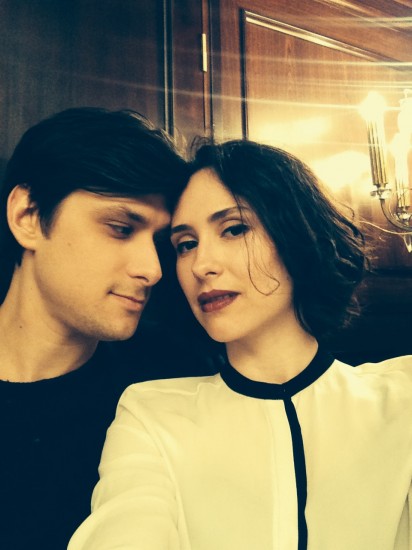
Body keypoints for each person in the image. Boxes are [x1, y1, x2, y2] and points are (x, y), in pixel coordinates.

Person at [68, 140, 412, 550]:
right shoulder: (152, 414)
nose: (201, 265)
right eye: (186, 244)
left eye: (234, 229)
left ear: (296, 233)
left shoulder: (401, 395)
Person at [0, 107, 214, 550]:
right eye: (120, 228)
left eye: (160, 243)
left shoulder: (173, 386)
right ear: (28, 216)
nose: (153, 270)